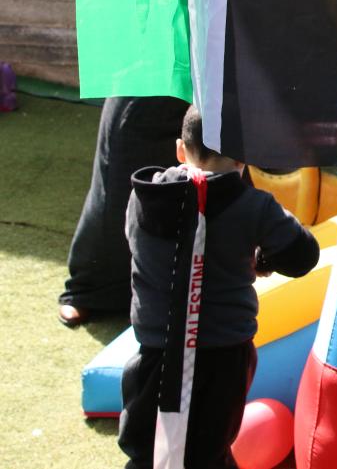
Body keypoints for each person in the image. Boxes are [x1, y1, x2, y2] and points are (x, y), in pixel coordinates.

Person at [117, 105, 320, 468]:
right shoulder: (253, 206)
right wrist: (263, 256)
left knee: (146, 448)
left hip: (156, 350)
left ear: (181, 150)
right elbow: (303, 255)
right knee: (208, 449)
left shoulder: (144, 197)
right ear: (246, 159)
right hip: (222, 354)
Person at [58, 95, 189, 326]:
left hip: (212, 71)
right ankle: (91, 288)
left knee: (212, 160)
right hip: (149, 74)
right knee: (121, 172)